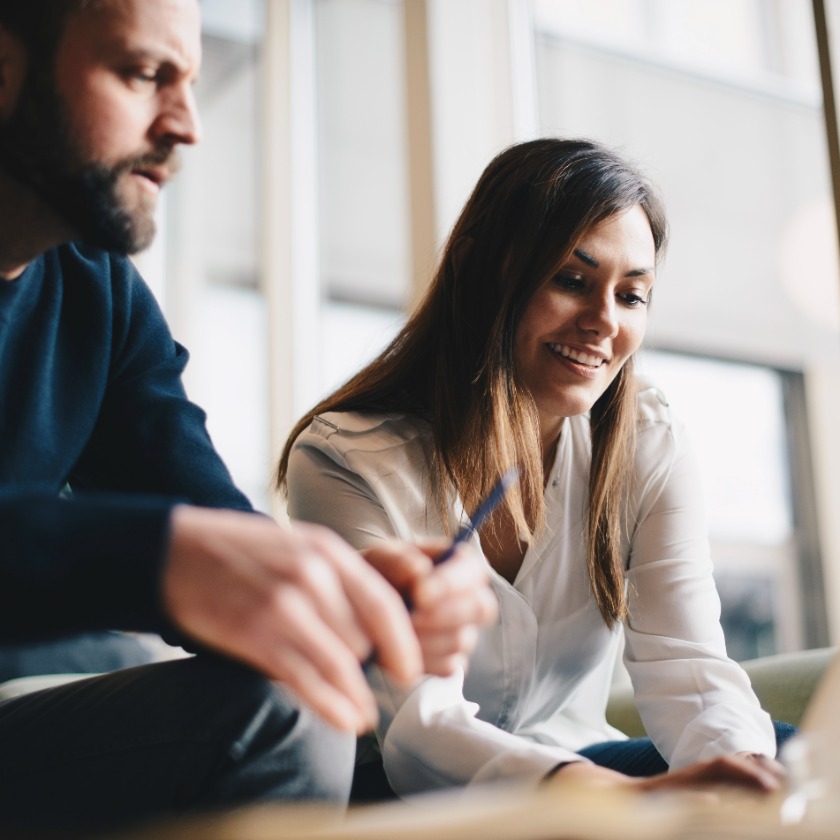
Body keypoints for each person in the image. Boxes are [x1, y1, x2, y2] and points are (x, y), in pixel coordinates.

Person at [0, 0, 496, 831]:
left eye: (189, 82)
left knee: (294, 701)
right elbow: (176, 546)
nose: (188, 124)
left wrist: (337, 590)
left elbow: (203, 517)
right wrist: (163, 560)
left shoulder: (104, 294)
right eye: (145, 74)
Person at [278, 137, 794, 800]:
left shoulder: (648, 441)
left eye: (631, 296)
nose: (603, 322)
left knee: (780, 758)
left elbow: (685, 663)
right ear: (479, 268)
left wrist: (740, 779)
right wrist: (602, 796)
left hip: (581, 757)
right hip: (405, 788)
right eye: (571, 281)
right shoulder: (345, 461)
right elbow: (418, 723)